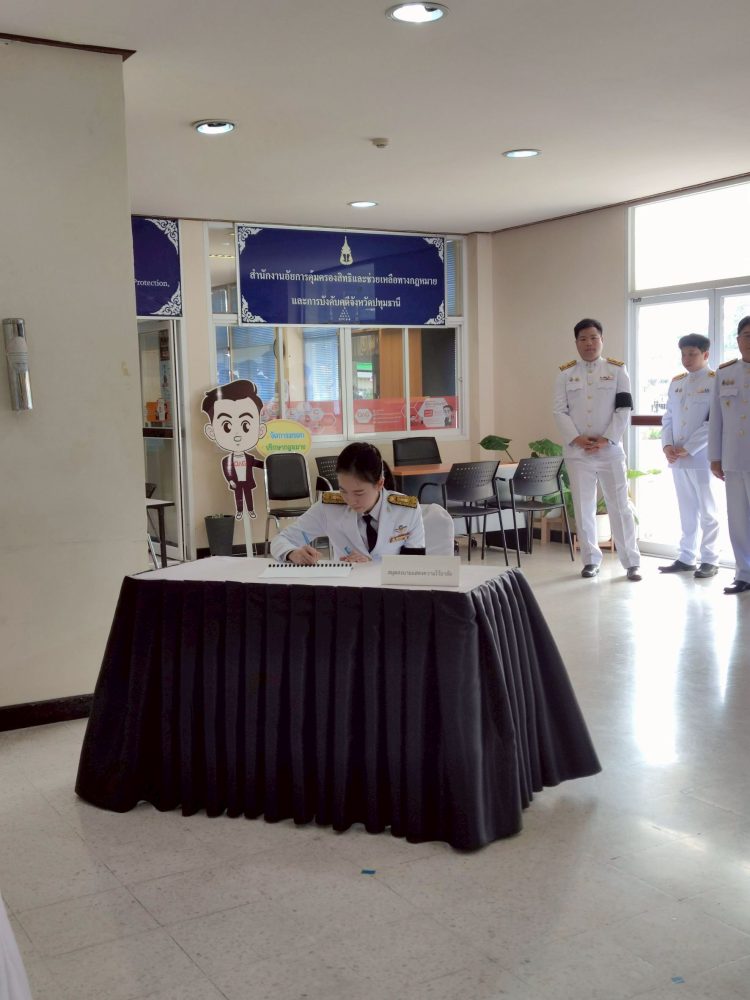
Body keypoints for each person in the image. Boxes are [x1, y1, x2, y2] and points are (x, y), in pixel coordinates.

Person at [553, 318, 641, 580]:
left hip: (609, 451)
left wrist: (607, 438)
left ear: (602, 340)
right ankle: (590, 560)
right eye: (583, 339)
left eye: (593, 338)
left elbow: (624, 408)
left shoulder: (617, 370)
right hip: (578, 452)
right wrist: (576, 438)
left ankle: (631, 562)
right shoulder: (565, 374)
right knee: (583, 507)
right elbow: (559, 410)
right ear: (576, 343)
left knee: (620, 506)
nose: (589, 343)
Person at [269, 442, 425, 563]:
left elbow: (414, 566)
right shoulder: (329, 508)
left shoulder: (407, 511)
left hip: (389, 589)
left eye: (359, 493)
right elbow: (280, 540)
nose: (350, 500)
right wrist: (292, 553)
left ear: (379, 484)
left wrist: (371, 565)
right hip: (347, 588)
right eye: (343, 491)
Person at [659, 334, 720, 578]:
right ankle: (686, 557)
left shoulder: (715, 381)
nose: (686, 359)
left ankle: (710, 559)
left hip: (702, 457)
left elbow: (714, 421)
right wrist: (667, 445)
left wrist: (689, 447)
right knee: (686, 510)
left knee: (708, 511)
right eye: (683, 354)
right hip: (677, 457)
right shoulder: (677, 383)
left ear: (705, 354)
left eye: (692, 354)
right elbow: (668, 418)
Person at [709, 315, 750, 594]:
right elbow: (717, 419)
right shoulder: (724, 373)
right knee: (737, 519)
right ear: (738, 340)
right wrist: (715, 457)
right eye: (747, 335)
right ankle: (743, 573)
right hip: (733, 458)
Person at [201, 379, 266, 519]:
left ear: (260, 430)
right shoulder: (226, 461)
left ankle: (251, 510)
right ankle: (240, 511)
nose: (237, 435)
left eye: (246, 426)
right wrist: (230, 480)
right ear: (211, 432)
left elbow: (259, 464)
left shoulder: (250, 458)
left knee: (248, 495)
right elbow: (227, 471)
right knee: (238, 497)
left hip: (247, 481)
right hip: (236, 482)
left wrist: (270, 464)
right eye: (227, 426)